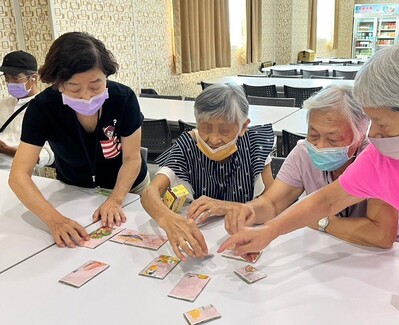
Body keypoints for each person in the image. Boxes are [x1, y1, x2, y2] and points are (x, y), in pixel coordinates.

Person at [219, 40, 399, 273]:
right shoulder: (388, 155)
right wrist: (269, 232)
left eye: (382, 124)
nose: (373, 136)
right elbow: (328, 199)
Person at [187, 85, 399, 248]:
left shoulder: (377, 159)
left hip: (391, 255)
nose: (319, 145)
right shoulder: (303, 153)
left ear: (360, 134)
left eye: (333, 139)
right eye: (313, 134)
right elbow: (272, 202)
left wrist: (317, 220)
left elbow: (380, 235)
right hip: (330, 248)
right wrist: (250, 210)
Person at [9, 32, 149, 248]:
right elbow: (18, 175)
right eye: (74, 87)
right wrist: (55, 221)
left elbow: (131, 159)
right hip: (74, 191)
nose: (87, 96)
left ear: (106, 75)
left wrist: (115, 199)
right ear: (58, 84)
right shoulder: (43, 108)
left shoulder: (123, 99)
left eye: (96, 85)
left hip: (128, 189)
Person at [141, 83, 274, 260]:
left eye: (225, 130)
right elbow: (149, 193)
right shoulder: (188, 144)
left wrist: (227, 206)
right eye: (205, 128)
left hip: (242, 238)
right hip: (204, 240)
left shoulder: (254, 145)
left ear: (243, 127)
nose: (214, 139)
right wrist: (168, 220)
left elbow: (273, 206)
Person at [0, 50, 54, 170]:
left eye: (15, 78)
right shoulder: (3, 105)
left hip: (19, 172)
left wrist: (7, 150)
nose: (9, 83)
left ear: (34, 78)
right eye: (6, 77)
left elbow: (47, 156)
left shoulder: (45, 108)